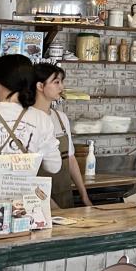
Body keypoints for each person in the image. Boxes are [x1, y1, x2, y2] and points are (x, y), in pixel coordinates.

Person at [33, 63, 93, 209]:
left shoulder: (61, 117)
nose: (62, 87)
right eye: (56, 82)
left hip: (64, 195)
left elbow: (70, 159)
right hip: (38, 199)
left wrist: (84, 196)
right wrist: (51, 206)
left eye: (61, 82)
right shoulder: (27, 120)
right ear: (40, 86)